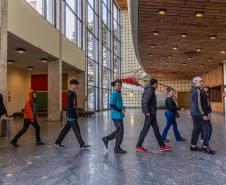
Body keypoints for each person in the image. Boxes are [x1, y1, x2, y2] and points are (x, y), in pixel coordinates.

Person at [136, 79, 172, 152]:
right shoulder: (150, 90)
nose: (157, 86)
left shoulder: (149, 90)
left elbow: (145, 101)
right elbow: (145, 101)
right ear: (155, 84)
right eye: (157, 84)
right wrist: (147, 111)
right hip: (150, 114)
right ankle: (138, 146)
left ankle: (162, 146)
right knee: (145, 130)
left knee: (156, 130)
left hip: (152, 114)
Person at [55, 79, 90, 149]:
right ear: (71, 85)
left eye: (76, 84)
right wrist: (70, 114)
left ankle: (57, 142)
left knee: (65, 129)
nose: (76, 86)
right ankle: (82, 144)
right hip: (71, 115)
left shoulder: (73, 93)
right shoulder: (70, 93)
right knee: (77, 129)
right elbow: (68, 105)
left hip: (72, 114)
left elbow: (74, 104)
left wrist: (81, 102)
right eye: (74, 84)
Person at [190, 77, 215, 154]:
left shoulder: (193, 90)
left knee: (196, 130)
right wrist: (203, 114)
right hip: (200, 115)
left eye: (202, 81)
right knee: (209, 129)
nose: (202, 83)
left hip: (195, 114)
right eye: (200, 81)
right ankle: (205, 146)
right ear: (195, 82)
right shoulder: (197, 91)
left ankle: (193, 146)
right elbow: (199, 104)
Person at [102, 79, 127, 154]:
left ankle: (108, 140)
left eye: (119, 85)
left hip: (119, 115)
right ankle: (116, 148)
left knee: (120, 131)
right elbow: (112, 105)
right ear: (114, 86)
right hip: (116, 116)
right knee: (120, 132)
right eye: (116, 85)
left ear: (121, 86)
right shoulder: (115, 93)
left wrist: (123, 108)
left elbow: (118, 104)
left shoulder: (118, 93)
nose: (118, 86)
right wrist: (120, 110)